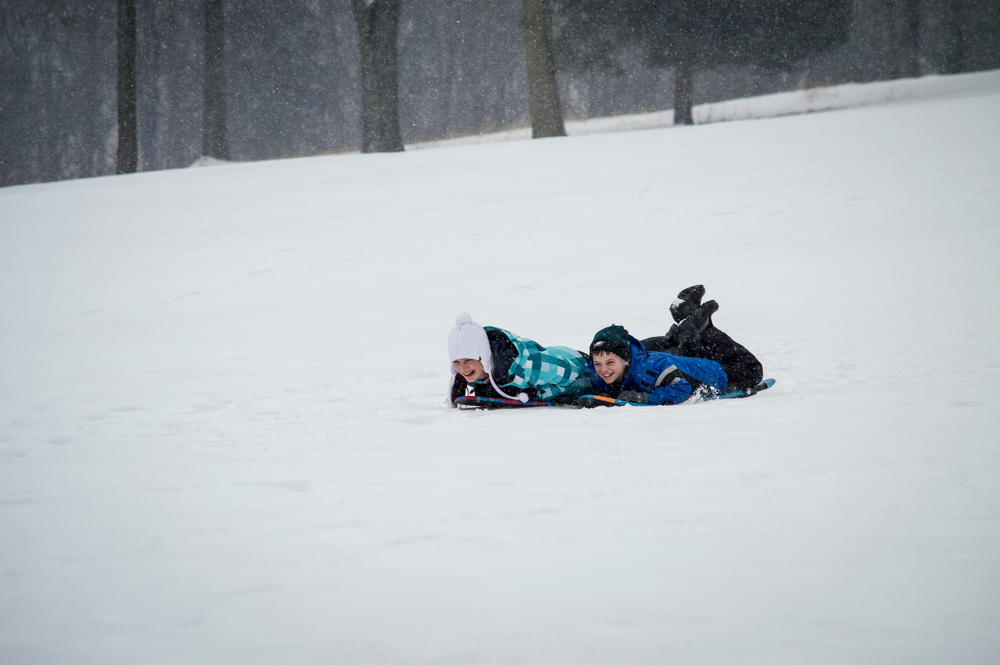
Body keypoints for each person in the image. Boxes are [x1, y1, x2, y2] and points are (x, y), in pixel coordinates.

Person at [448, 313, 592, 406]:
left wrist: (536, 395)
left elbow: (571, 374)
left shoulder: (527, 367)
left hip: (577, 364)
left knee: (581, 383)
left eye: (468, 360)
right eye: (457, 362)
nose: (462, 368)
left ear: (484, 356)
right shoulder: (474, 370)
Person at [640, 284, 763, 393]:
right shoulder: (687, 333)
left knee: (676, 357)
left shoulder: (702, 336)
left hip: (746, 371)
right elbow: (669, 344)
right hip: (730, 366)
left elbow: (683, 357)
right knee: (665, 349)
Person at [586, 324, 729, 405]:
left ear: (625, 360)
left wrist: (644, 398)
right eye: (598, 364)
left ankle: (702, 323)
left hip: (721, 373)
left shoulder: (647, 370)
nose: (603, 369)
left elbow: (682, 388)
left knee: (750, 369)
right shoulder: (598, 370)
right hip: (680, 359)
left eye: (610, 362)